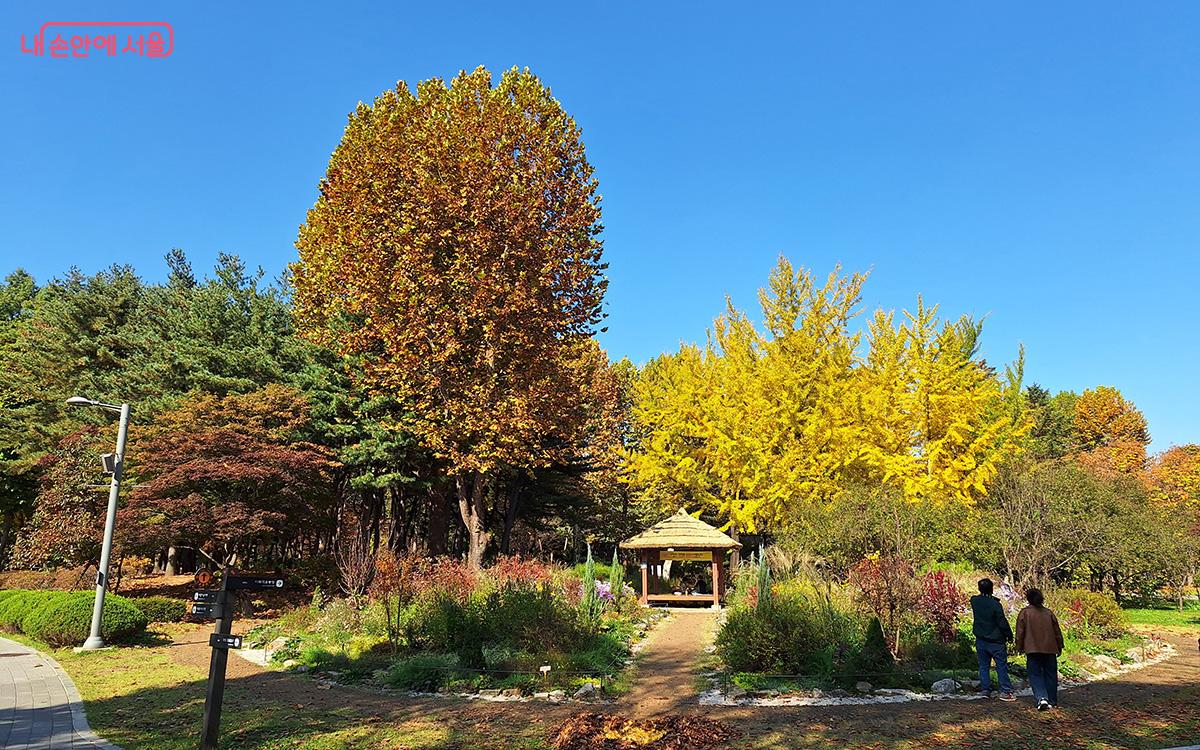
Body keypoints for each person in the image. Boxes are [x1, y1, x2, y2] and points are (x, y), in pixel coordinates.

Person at [1015, 587, 1065, 711]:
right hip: (1050, 648)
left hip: (1032, 649)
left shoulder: (1024, 613)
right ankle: (1052, 700)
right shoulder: (1048, 613)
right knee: (1050, 674)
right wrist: (1060, 645)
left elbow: (1020, 632)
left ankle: (1042, 697)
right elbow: (1057, 631)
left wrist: (1019, 646)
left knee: (1035, 674)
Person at [971, 578, 1015, 700]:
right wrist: (1009, 635)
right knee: (1001, 665)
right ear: (991, 589)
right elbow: (1002, 621)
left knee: (984, 666)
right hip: (996, 640)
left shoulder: (975, 601)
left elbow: (978, 598)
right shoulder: (995, 605)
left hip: (981, 638)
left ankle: (985, 689)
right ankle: (1005, 691)